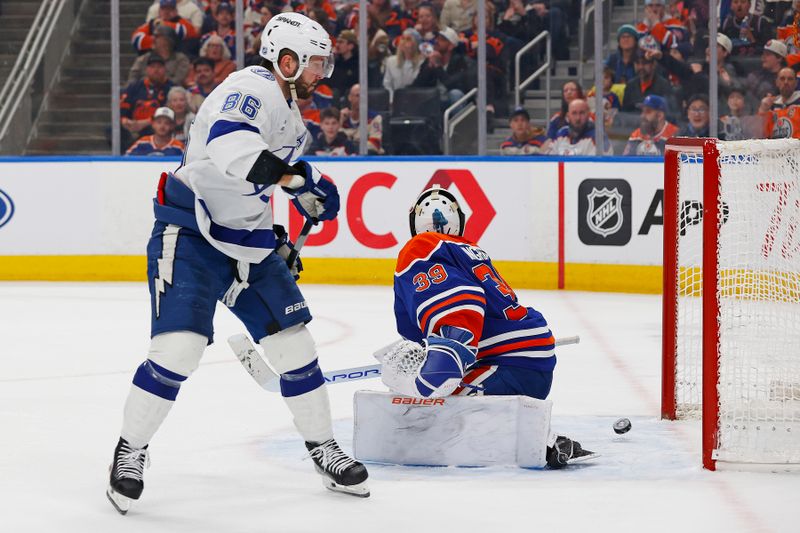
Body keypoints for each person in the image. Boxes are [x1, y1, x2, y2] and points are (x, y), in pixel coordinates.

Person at [105, 12, 369, 516]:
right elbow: (233, 150)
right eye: (315, 62)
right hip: (191, 235)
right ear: (285, 60)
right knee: (178, 350)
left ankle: (323, 449)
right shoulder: (250, 86)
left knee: (297, 348)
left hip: (248, 243)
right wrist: (298, 183)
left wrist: (293, 211)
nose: (323, 72)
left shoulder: (294, 122)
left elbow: (264, 181)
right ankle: (130, 451)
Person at [385, 185, 597, 468]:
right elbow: (419, 332)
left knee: (417, 415)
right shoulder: (468, 250)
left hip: (508, 363)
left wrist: (446, 355)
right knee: (422, 400)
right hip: (527, 359)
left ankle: (537, 438)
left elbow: (461, 304)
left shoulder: (421, 247)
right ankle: (524, 425)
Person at [120, 56, 175, 149]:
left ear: (165, 69)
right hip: (133, 125)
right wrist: (125, 120)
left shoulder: (171, 88)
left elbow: (170, 111)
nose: (156, 70)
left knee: (151, 130)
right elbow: (123, 106)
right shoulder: (135, 87)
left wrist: (148, 122)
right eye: (153, 67)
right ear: (146, 69)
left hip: (155, 126)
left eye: (159, 67)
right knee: (113, 131)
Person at [133, 0, 199, 54]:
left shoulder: (183, 22)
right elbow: (137, 39)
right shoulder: (152, 22)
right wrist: (157, 43)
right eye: (164, 8)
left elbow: (187, 32)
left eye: (170, 9)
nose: (167, 11)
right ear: (159, 11)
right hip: (155, 57)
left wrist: (162, 25)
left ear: (176, 11)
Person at [340, 84, 384, 154]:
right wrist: (340, 121)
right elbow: (332, 141)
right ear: (349, 97)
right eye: (357, 96)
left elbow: (375, 144)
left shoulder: (374, 118)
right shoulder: (342, 117)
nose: (361, 99)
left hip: (367, 160)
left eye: (363, 96)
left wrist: (353, 146)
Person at [383, 28, 424, 100]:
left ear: (416, 44)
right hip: (396, 100)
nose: (403, 42)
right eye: (402, 38)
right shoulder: (391, 61)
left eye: (408, 39)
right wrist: (391, 99)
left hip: (416, 99)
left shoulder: (422, 62)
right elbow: (387, 84)